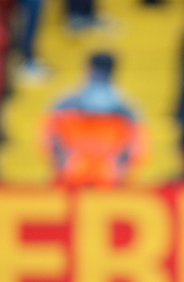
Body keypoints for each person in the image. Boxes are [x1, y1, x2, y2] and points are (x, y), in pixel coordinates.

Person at [46, 52, 142, 186]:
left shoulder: (64, 103)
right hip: (108, 179)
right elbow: (137, 148)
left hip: (72, 176)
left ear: (88, 68)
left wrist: (63, 162)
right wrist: (118, 167)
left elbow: (49, 140)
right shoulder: (127, 109)